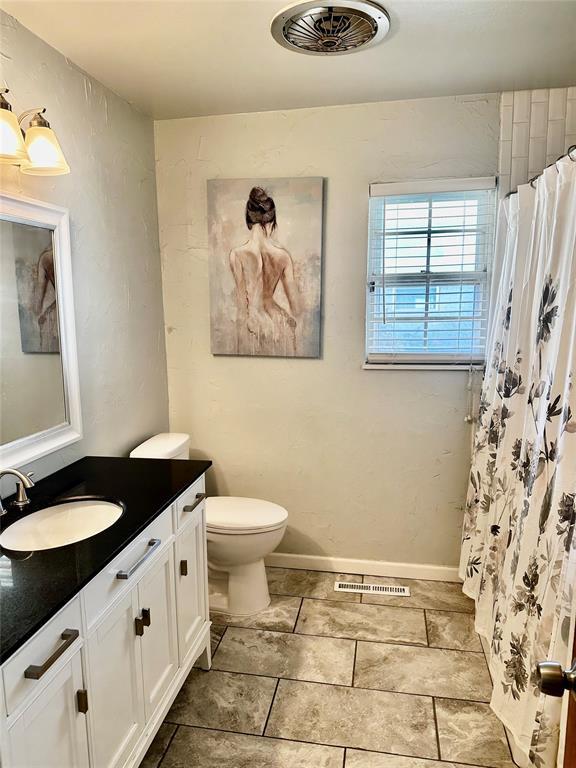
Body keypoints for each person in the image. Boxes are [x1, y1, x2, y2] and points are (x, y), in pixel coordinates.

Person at [229, 187, 301, 355]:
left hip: (253, 326)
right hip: (279, 323)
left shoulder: (237, 255)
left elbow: (242, 303)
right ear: (272, 221)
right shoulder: (283, 257)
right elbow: (296, 307)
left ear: (248, 220)